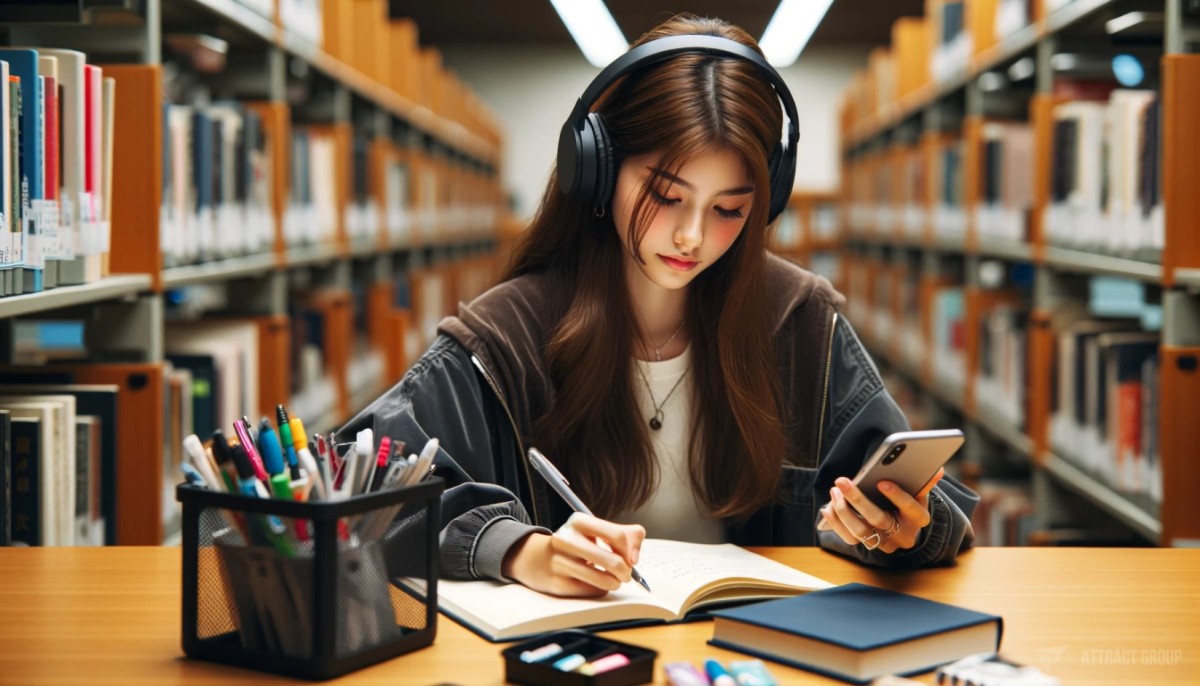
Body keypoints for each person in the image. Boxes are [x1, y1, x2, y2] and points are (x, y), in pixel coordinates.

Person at [344, 13, 978, 597]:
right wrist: (514, 548)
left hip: (760, 651)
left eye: (729, 210)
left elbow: (927, 501)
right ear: (596, 166)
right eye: (667, 195)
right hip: (575, 653)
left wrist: (906, 529)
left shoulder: (798, 321)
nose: (692, 236)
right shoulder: (506, 336)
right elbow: (357, 485)